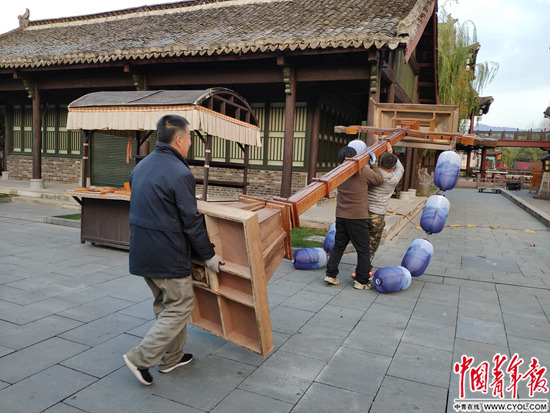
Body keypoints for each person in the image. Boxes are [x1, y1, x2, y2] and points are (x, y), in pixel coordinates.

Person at [123, 114, 224, 386]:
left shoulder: (142, 166)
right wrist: (208, 255)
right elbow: (191, 222)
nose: (190, 142)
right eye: (189, 137)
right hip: (167, 253)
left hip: (142, 250)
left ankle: (172, 358)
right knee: (180, 306)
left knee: (164, 305)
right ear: (179, 139)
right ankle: (139, 358)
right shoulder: (180, 173)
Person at [324, 146, 383, 290]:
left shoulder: (338, 172)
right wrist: (373, 164)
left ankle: (330, 275)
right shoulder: (362, 171)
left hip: (341, 216)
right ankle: (361, 281)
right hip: (357, 217)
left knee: (338, 247)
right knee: (363, 250)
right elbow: (379, 180)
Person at [365, 142, 404, 280]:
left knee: (362, 242)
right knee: (372, 243)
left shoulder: (370, 174)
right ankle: (363, 270)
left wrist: (373, 159)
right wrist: (391, 152)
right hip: (378, 215)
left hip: (363, 212)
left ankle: (363, 268)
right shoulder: (394, 178)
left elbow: (365, 165)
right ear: (392, 167)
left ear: (380, 162)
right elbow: (400, 168)